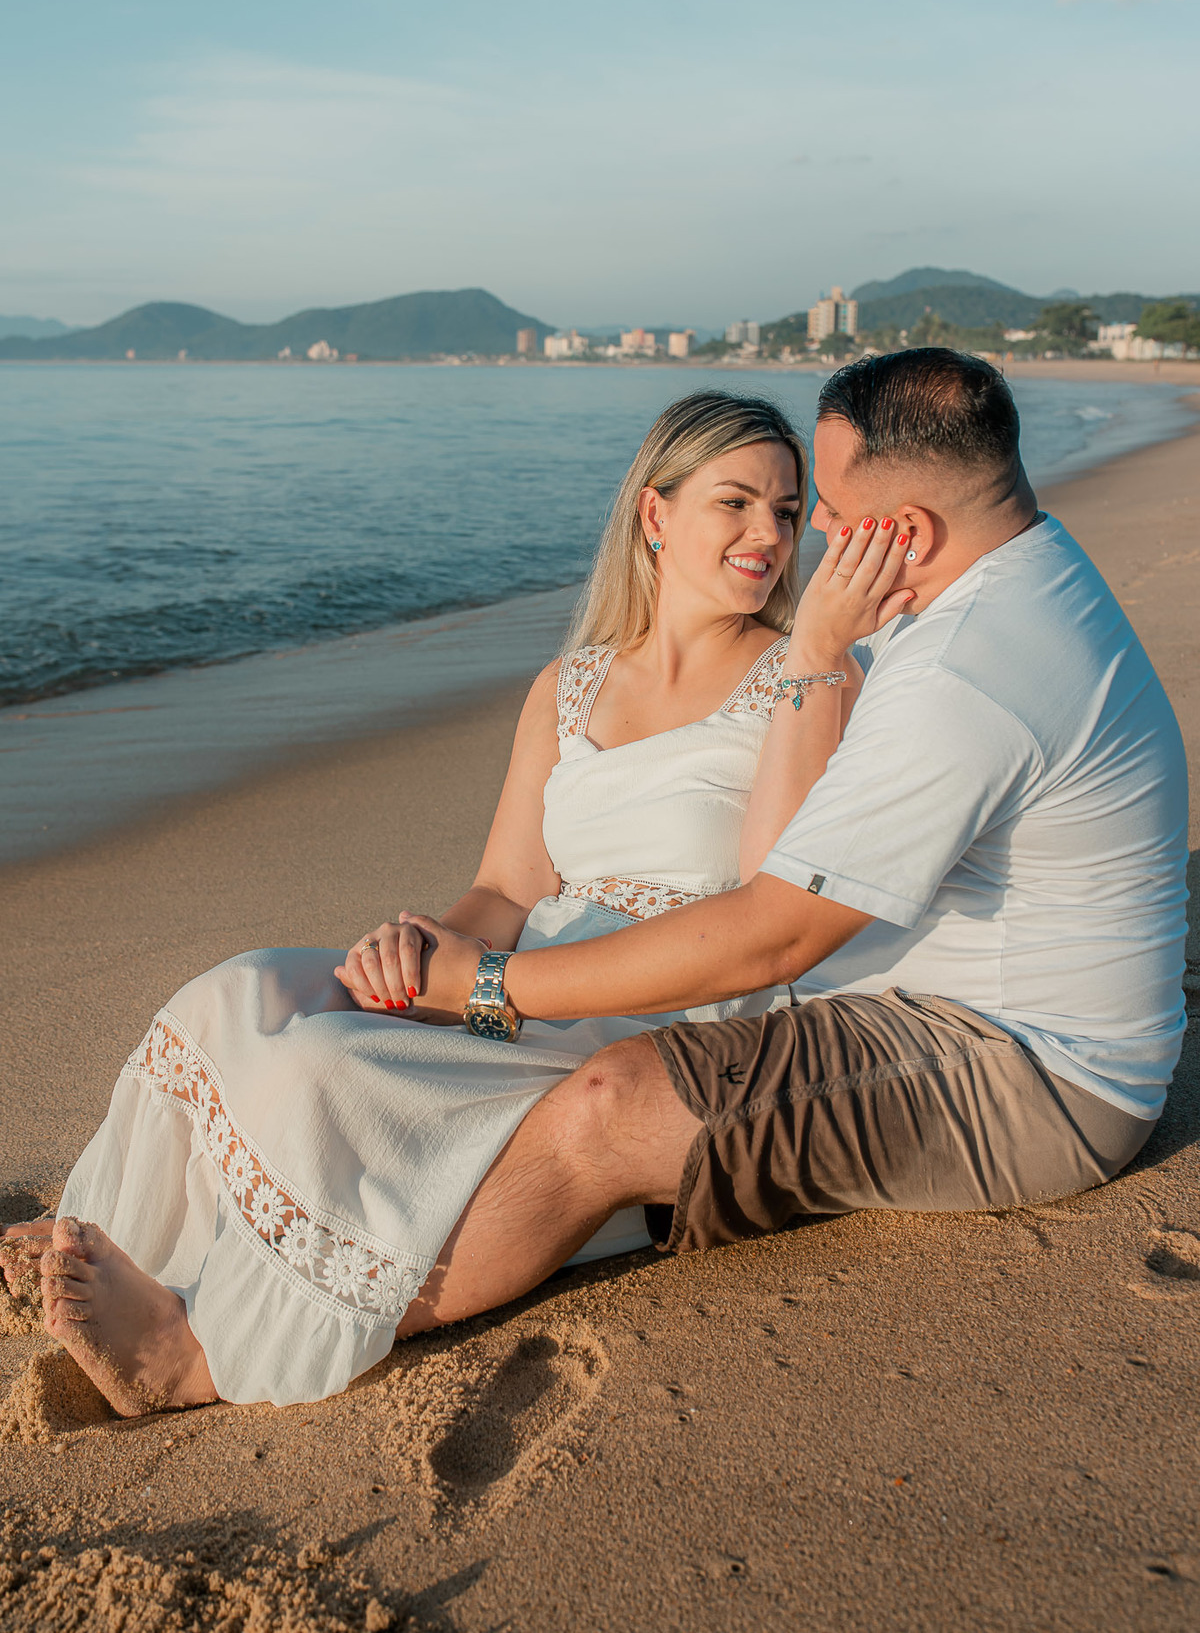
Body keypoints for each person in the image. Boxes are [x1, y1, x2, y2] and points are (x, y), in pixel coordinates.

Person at [3, 389, 909, 1413]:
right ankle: (115, 1241)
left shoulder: (806, 675)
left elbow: (772, 891)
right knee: (241, 992)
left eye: (788, 511)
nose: (769, 535)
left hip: (658, 990)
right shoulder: (568, 685)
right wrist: (420, 949)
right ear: (654, 516)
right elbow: (509, 888)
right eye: (736, 503)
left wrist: (819, 659)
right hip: (523, 965)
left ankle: (194, 1342)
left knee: (315, 1068)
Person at [317, 345, 1189, 1330]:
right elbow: (781, 860)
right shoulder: (1006, 584)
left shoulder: (967, 666)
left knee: (611, 1106)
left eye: (822, 506)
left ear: (903, 527)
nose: (806, 529)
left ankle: (213, 1357)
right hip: (927, 1005)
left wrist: (489, 987)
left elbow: (777, 931)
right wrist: (818, 650)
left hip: (1023, 1072)